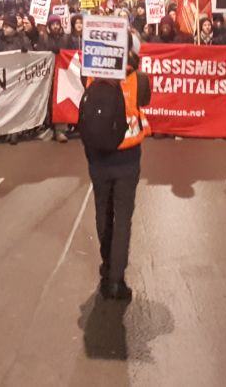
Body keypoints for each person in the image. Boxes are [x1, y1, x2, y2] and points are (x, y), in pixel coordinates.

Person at [78, 53, 151, 302]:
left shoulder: (90, 76)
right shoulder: (139, 79)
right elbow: (145, 101)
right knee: (122, 219)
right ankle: (116, 280)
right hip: (128, 157)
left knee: (103, 211)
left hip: (98, 157)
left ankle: (107, 264)